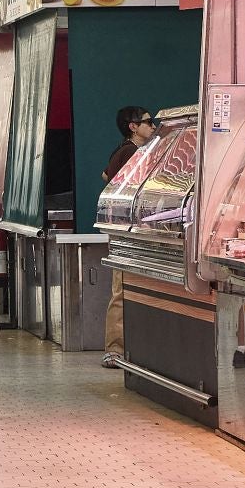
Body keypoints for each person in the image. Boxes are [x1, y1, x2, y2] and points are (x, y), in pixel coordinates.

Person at [101, 106, 155, 370]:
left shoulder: (124, 151)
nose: (153, 126)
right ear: (133, 127)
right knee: (121, 289)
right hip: (126, 230)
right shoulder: (130, 152)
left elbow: (105, 175)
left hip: (125, 227)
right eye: (148, 121)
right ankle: (115, 349)